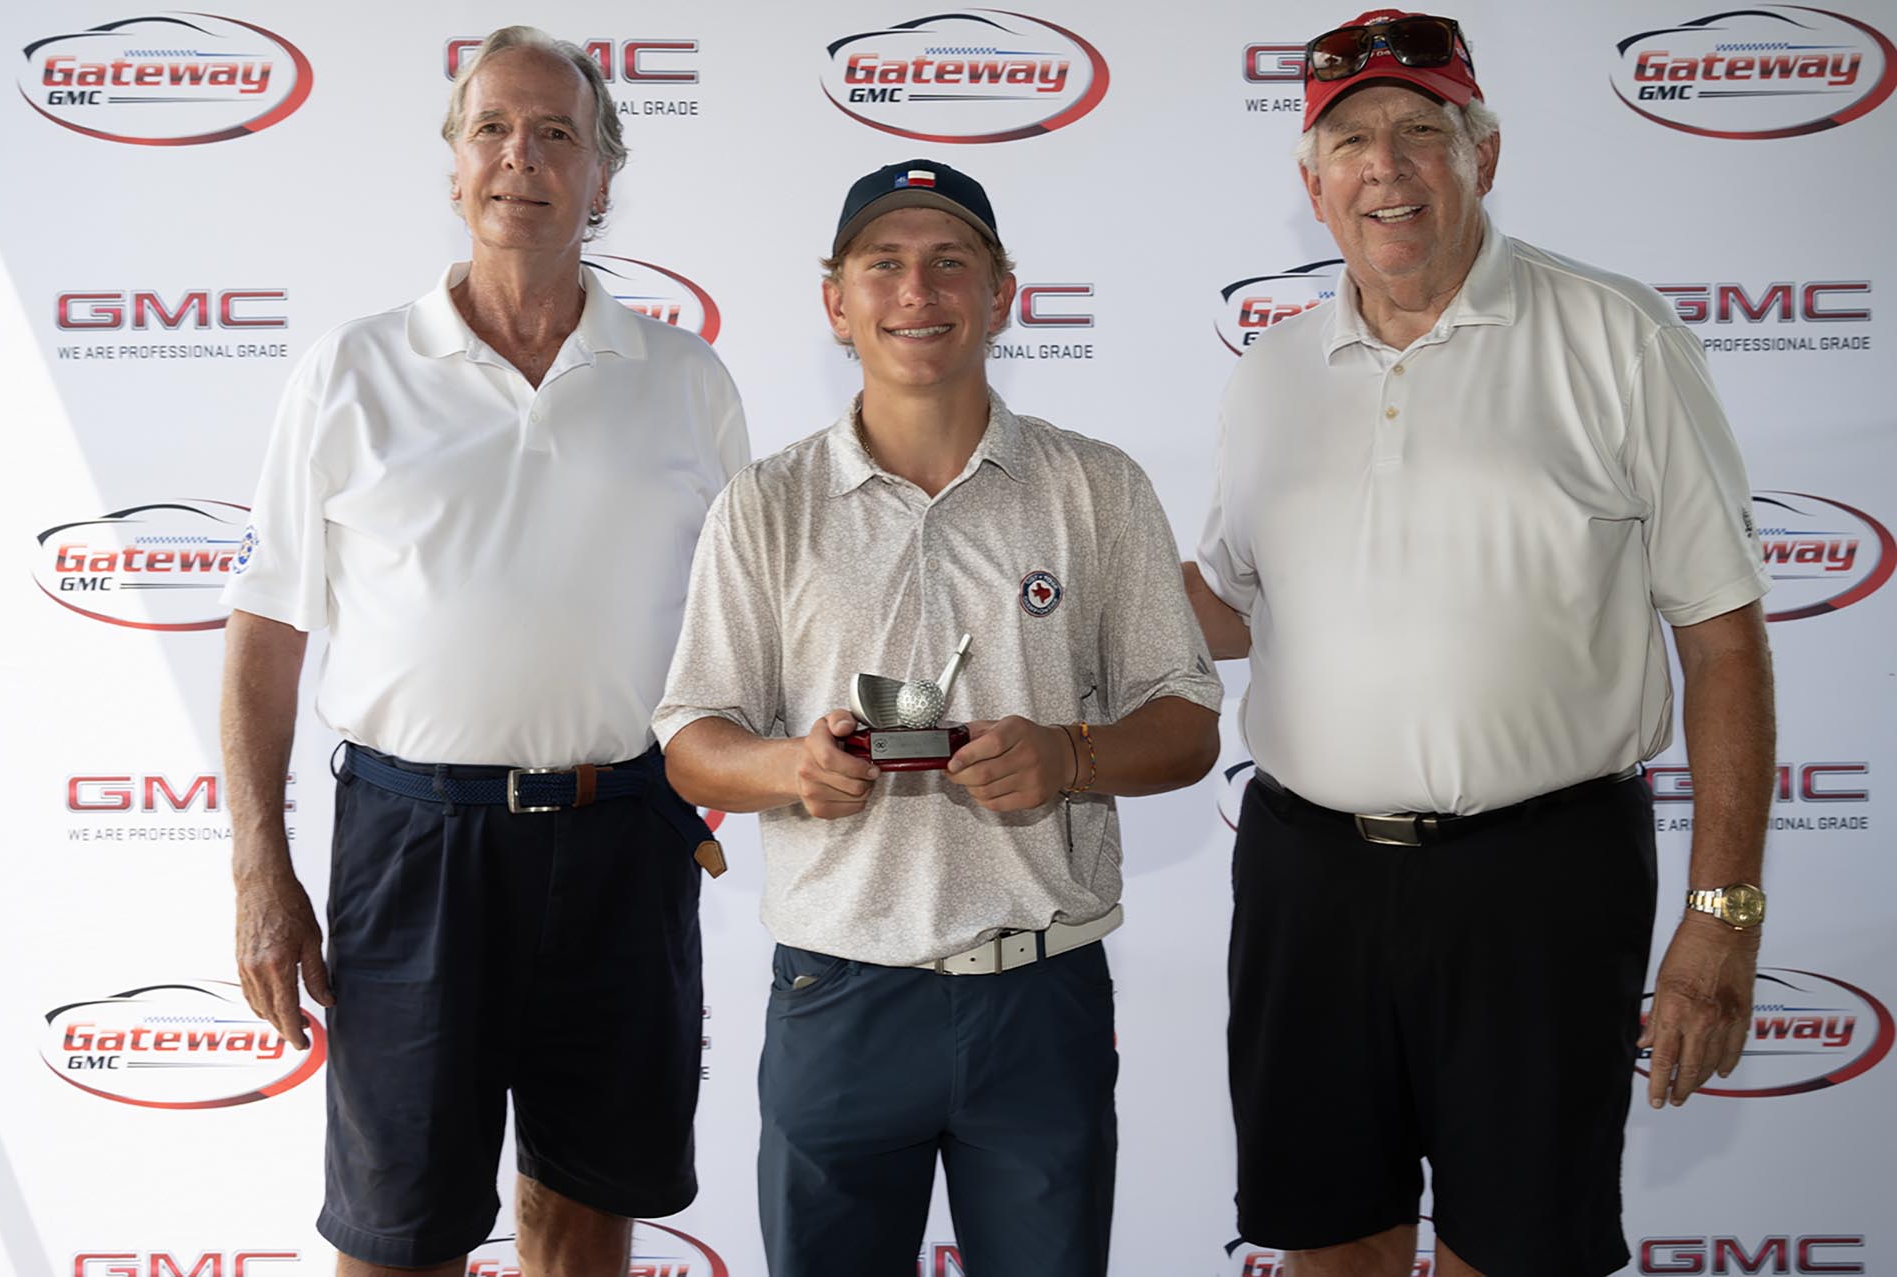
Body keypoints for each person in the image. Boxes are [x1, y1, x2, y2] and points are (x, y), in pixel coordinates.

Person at [1185, 11, 1775, 1277]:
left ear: (1483, 158)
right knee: (1328, 1242)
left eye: (1420, 131)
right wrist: (1050, 597)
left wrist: (1723, 912)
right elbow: (1232, 602)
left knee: (1518, 1251)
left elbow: (1723, 639)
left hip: (1541, 881)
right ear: (1312, 183)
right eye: (1350, 142)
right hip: (1308, 879)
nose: (1385, 169)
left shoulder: (1615, 336)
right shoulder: (1274, 369)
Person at [218, 26, 747, 1277]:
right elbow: (266, 631)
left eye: (558, 133)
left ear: (603, 177)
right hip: (413, 845)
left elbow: (746, 622)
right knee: (398, 1235)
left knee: (584, 1215)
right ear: (454, 165)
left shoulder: (686, 379)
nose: (523, 157)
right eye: (493, 130)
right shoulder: (350, 371)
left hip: (622, 836)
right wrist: (258, 868)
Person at [653, 158, 1221, 1276]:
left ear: (1002, 294)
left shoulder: (1096, 486)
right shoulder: (767, 503)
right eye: (885, 264)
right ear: (837, 301)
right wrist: (793, 767)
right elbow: (690, 742)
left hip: (1040, 995)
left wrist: (1069, 754)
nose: (918, 290)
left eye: (951, 261)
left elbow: (1188, 723)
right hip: (839, 992)